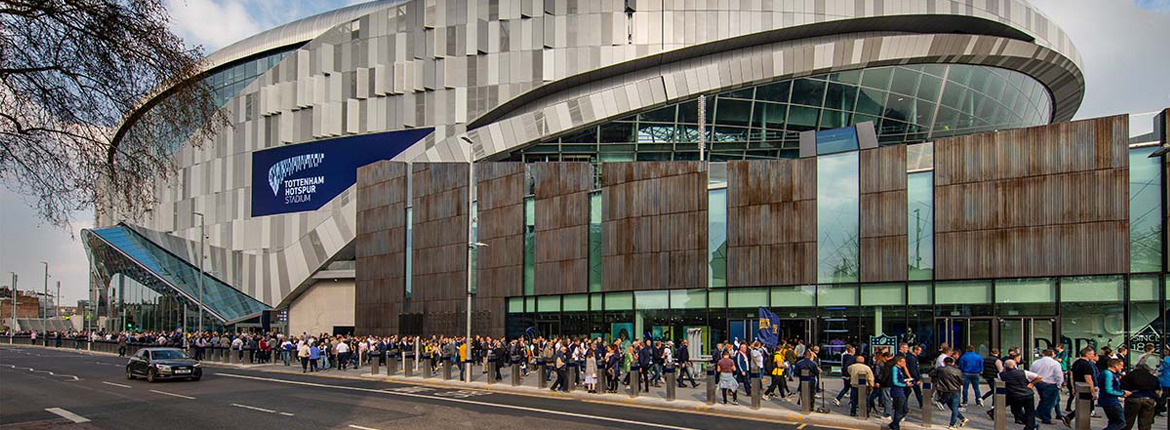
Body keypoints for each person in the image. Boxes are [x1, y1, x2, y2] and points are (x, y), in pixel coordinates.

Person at [995, 359, 1042, 430]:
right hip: (1028, 394)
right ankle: (1030, 427)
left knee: (1016, 411)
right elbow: (1039, 377)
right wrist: (1032, 383)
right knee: (1030, 412)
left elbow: (1000, 380)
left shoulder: (1001, 375)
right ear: (1014, 366)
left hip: (1015, 395)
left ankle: (1029, 424)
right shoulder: (1023, 372)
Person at [1029, 349, 1065, 425]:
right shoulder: (1055, 363)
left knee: (1043, 399)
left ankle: (1038, 413)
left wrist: (1032, 382)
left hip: (1038, 382)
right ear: (1052, 355)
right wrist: (1059, 385)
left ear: (1043, 354)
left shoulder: (1036, 362)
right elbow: (1058, 375)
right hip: (1050, 383)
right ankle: (1046, 418)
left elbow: (1031, 372)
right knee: (1049, 402)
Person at [1119, 363, 1160, 430]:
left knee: (1128, 420)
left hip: (1133, 398)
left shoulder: (1130, 376)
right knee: (1145, 423)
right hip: (1148, 399)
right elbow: (1157, 391)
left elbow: (1122, 387)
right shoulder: (1152, 377)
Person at [931, 356, 967, 429]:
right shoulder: (957, 371)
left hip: (945, 390)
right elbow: (962, 381)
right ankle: (952, 424)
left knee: (952, 406)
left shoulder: (940, 369)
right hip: (955, 390)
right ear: (953, 363)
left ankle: (961, 418)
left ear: (944, 362)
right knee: (954, 407)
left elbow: (931, 374)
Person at [1068, 347, 1101, 417]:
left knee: (1083, 406)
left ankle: (1070, 417)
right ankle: (1071, 417)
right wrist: (1093, 392)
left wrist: (1073, 387)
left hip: (1078, 386)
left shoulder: (1076, 363)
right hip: (1085, 388)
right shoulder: (1087, 365)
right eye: (1092, 354)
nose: (1093, 356)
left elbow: (1071, 376)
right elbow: (1088, 379)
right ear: (1087, 354)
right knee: (1086, 407)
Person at [1098, 358, 1129, 430]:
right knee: (1121, 423)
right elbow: (1108, 389)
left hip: (1107, 400)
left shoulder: (1107, 373)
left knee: (1113, 422)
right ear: (1115, 365)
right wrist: (1122, 393)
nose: (1122, 367)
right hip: (1110, 401)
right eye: (1120, 365)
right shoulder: (1108, 374)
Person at [888, 355, 912, 430]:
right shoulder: (895, 369)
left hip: (901, 391)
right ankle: (895, 426)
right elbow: (895, 381)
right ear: (898, 362)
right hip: (897, 392)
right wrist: (905, 384)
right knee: (899, 410)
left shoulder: (899, 369)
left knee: (904, 410)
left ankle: (894, 424)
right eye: (903, 362)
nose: (904, 363)